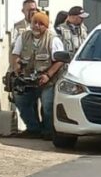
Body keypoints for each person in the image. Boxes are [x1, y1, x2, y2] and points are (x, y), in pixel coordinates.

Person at [9, 11, 65, 139]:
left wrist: (48, 75)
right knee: (21, 101)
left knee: (47, 106)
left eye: (41, 24)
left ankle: (48, 131)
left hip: (47, 81)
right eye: (35, 23)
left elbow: (60, 60)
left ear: (46, 26)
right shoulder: (23, 37)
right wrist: (17, 67)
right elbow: (15, 54)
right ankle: (33, 129)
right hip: (27, 80)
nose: (37, 26)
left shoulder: (53, 40)